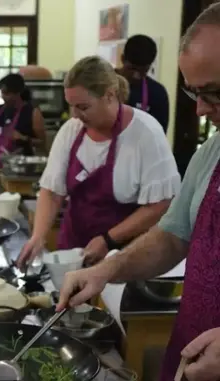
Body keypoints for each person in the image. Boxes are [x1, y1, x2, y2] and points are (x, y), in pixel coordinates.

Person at [56, 5, 220, 380]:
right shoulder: (211, 153)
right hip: (190, 353)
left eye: (213, 93)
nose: (199, 110)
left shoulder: (144, 131)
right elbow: (172, 236)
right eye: (193, 92)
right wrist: (107, 269)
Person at [16, 56, 179, 268]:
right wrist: (38, 236)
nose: (75, 114)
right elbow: (52, 190)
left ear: (110, 95)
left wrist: (108, 239)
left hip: (124, 256)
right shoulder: (71, 131)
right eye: (71, 106)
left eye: (83, 107)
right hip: (74, 249)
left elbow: (160, 205)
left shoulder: (145, 134)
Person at [117, 34, 170, 132]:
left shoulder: (157, 93)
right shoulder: (102, 83)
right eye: (132, 69)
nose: (136, 76)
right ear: (122, 59)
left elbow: (158, 135)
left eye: (143, 71)